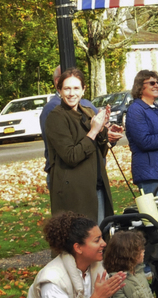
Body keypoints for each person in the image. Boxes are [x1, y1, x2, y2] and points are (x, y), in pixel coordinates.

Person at [44, 68, 116, 220]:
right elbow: (71, 156)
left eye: (76, 88)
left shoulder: (88, 112)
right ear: (59, 90)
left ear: (83, 90)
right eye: (67, 88)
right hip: (75, 194)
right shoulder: (56, 117)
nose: (71, 93)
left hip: (97, 186)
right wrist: (94, 131)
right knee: (82, 240)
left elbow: (100, 152)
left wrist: (103, 129)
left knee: (100, 237)